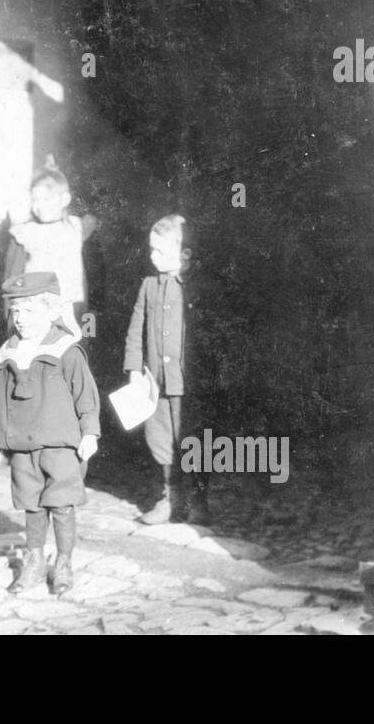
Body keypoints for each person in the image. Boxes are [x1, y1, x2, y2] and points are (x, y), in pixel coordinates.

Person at [0, 271, 100, 596]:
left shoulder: (66, 350)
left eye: (30, 311)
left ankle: (62, 562)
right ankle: (35, 560)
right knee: (32, 505)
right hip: (23, 447)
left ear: (51, 311)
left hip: (61, 446)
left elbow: (86, 397)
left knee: (62, 504)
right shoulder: (7, 354)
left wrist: (90, 433)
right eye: (16, 311)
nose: (20, 319)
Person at [124, 214, 211, 526]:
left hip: (189, 382)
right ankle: (169, 498)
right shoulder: (148, 286)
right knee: (160, 440)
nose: (152, 256)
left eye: (160, 251)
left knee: (193, 440)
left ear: (184, 254)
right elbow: (136, 328)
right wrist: (134, 368)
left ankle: (199, 500)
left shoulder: (198, 287)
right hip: (156, 382)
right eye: (150, 249)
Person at [3, 156, 97, 339]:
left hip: (71, 304)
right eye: (35, 200)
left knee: (71, 350)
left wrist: (55, 172)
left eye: (47, 199)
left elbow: (92, 221)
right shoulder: (28, 231)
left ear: (65, 199)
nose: (39, 206)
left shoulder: (74, 227)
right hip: (37, 305)